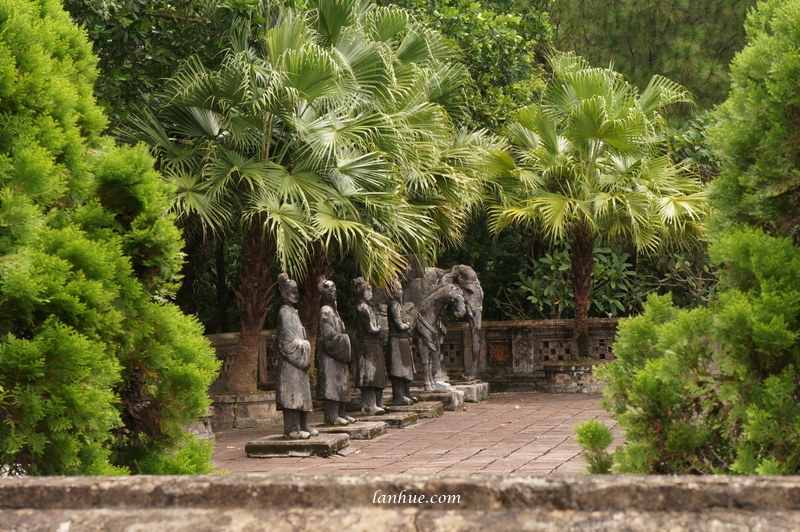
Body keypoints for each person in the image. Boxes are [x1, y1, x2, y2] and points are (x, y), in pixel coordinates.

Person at [275, 273, 317, 439]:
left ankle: (303, 425)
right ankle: (291, 429)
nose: (296, 294)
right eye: (292, 291)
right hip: (290, 362)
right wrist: (305, 345)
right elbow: (286, 342)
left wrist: (303, 343)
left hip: (299, 362)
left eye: (297, 290)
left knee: (302, 393)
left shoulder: (294, 312)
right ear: (284, 293)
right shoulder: (284, 313)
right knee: (292, 395)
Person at [316, 277, 355, 425]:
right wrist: (344, 340)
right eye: (330, 290)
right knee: (332, 384)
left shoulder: (334, 311)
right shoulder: (325, 311)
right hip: (330, 356)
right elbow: (328, 335)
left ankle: (342, 413)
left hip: (339, 355)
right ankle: (331, 416)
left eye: (334, 290)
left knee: (342, 383)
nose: (333, 293)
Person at [353, 277, 387, 414]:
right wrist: (379, 328)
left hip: (374, 344)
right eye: (368, 290)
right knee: (369, 375)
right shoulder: (362, 307)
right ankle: (369, 405)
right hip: (367, 344)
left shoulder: (368, 307)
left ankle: (378, 403)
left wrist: (377, 328)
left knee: (378, 374)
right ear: (362, 292)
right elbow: (371, 328)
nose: (371, 293)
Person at [387, 277, 414, 405]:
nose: (401, 291)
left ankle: (406, 394)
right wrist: (407, 324)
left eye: (401, 288)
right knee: (398, 370)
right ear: (393, 291)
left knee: (405, 371)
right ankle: (399, 396)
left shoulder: (398, 305)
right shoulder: (393, 305)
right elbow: (399, 324)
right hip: (396, 340)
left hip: (402, 340)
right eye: (398, 289)